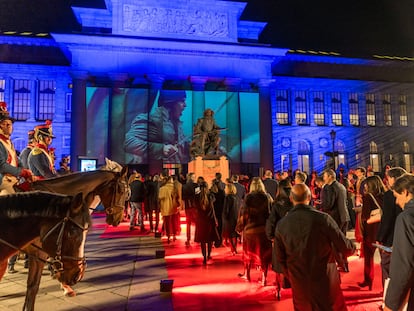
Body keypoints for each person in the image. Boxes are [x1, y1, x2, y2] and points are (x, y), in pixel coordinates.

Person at [274, 183, 355, 311]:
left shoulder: (282, 224)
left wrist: (291, 275)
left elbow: (279, 258)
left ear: (291, 199)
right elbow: (344, 246)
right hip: (324, 277)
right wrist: (353, 246)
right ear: (309, 197)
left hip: (299, 280)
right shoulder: (323, 219)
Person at [0, 102, 33, 273]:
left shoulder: (9, 143)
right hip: (3, 181)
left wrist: (26, 172)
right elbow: (2, 165)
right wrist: (22, 172)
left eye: (10, 123)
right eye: (5, 124)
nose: (9, 126)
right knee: (10, 201)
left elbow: (16, 160)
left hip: (13, 179)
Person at [124, 90, 189, 164]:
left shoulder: (175, 123)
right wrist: (161, 149)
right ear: (171, 103)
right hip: (157, 171)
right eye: (182, 101)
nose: (185, 105)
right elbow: (129, 142)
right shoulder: (150, 120)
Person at [384, 173, 414, 311]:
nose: (396, 202)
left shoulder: (405, 218)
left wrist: (392, 303)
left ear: (406, 192)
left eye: (397, 197)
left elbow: (404, 264)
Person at [237, 177, 272, 286]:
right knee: (264, 255)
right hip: (263, 230)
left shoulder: (248, 198)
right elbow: (271, 214)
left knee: (248, 253)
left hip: (250, 230)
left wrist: (239, 227)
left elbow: (243, 214)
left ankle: (247, 275)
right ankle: (264, 278)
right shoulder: (267, 197)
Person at [376, 167, 405, 289]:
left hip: (392, 238)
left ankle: (387, 298)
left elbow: (387, 219)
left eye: (388, 178)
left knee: (387, 267)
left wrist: (380, 237)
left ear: (393, 178)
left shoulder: (389, 195)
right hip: (403, 237)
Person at [358, 175, 386, 290]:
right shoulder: (386, 196)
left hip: (371, 231)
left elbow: (365, 216)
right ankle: (385, 288)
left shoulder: (367, 197)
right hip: (383, 230)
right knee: (384, 261)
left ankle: (368, 280)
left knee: (368, 257)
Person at [321, 168, 351, 273]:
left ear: (330, 176)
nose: (323, 178)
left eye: (324, 176)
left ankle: (342, 264)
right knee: (342, 242)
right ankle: (345, 264)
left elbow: (329, 204)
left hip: (336, 218)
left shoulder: (330, 187)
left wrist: (321, 205)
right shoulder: (341, 186)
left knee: (334, 243)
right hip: (344, 217)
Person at [194, 180, 220, 265]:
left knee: (202, 240)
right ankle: (209, 255)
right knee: (209, 240)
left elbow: (194, 202)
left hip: (201, 221)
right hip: (209, 220)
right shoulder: (211, 196)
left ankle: (204, 257)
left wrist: (198, 188)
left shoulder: (197, 196)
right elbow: (213, 208)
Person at [159, 176, 178, 243]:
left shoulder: (162, 189)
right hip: (173, 207)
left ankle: (168, 236)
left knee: (167, 222)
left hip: (165, 207)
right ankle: (174, 235)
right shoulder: (174, 188)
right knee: (173, 222)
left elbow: (160, 197)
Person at [182, 172, 199, 246]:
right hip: (195, 206)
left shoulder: (184, 186)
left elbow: (183, 197)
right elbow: (198, 196)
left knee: (188, 223)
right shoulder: (196, 185)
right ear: (192, 178)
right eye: (194, 177)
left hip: (187, 206)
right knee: (197, 223)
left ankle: (188, 239)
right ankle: (197, 238)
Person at [222, 182, 239, 255]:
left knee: (230, 234)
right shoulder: (236, 197)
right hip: (236, 217)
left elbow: (226, 209)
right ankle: (235, 248)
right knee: (235, 234)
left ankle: (233, 249)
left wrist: (224, 217)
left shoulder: (227, 197)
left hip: (229, 218)